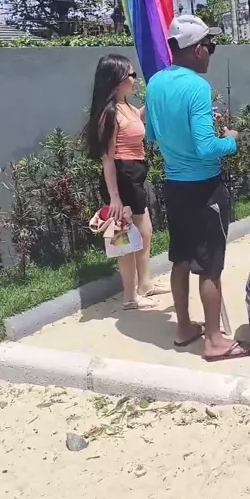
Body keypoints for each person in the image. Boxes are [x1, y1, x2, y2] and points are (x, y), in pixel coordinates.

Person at [145, 15, 247, 361]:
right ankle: (215, 341)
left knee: (181, 258)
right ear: (198, 49)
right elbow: (206, 148)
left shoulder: (155, 83)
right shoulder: (197, 88)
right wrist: (231, 140)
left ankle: (184, 327)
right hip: (204, 189)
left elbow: (152, 135)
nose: (210, 53)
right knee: (209, 266)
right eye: (210, 47)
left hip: (175, 186)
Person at [83, 53, 161, 309]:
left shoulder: (126, 107)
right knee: (124, 239)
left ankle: (145, 284)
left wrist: (156, 95)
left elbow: (140, 118)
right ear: (116, 80)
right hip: (121, 176)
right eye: (131, 75)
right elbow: (107, 159)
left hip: (134, 174)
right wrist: (114, 198)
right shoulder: (109, 114)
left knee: (145, 232)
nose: (135, 79)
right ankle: (130, 297)